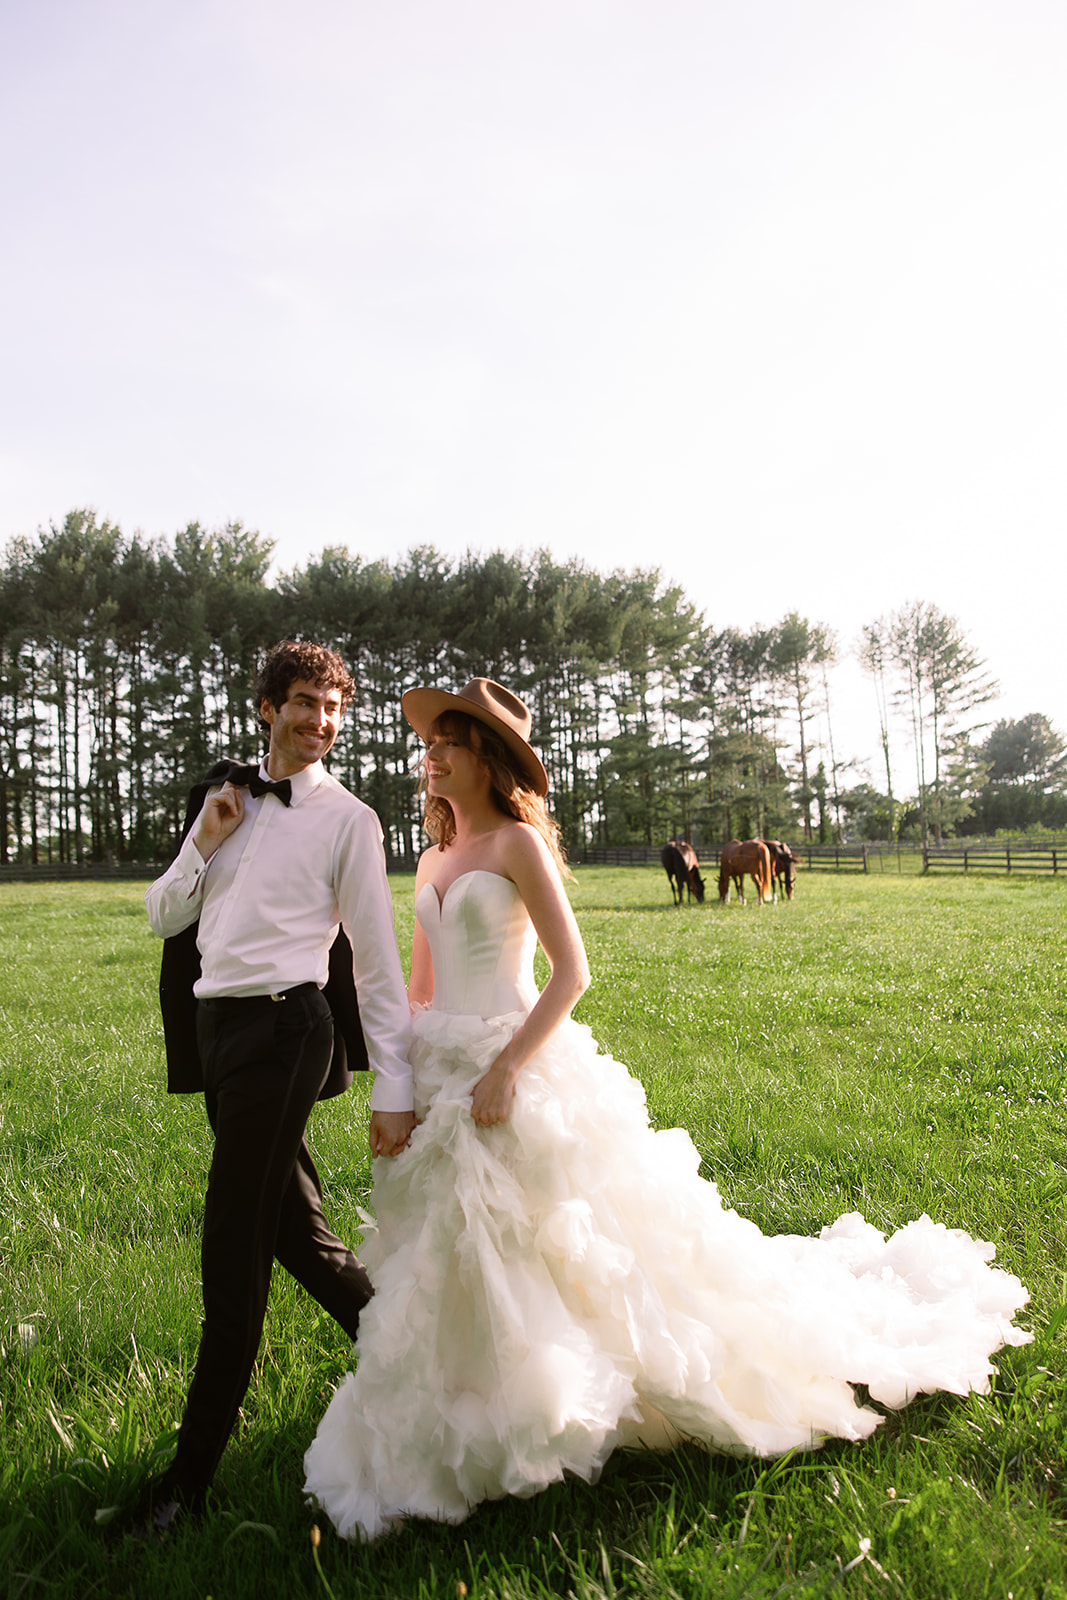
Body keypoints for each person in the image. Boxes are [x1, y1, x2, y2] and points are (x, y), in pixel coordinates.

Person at [303, 678, 1031, 1543]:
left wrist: (502, 1071)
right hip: (443, 1069)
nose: (432, 757)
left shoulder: (517, 846)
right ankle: (467, 1398)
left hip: (516, 1063)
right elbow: (419, 989)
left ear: (488, 759)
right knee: (455, 1247)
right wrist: (410, 1083)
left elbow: (570, 975)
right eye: (430, 745)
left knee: (557, 1237)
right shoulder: (432, 857)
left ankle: (570, 1393)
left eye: (448, 743)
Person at [136, 640, 416, 1534]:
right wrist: (206, 839)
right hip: (216, 1031)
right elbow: (163, 915)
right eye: (303, 702)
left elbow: (373, 958)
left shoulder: (350, 821)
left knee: (233, 1247)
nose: (319, 722)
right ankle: (427, 1374)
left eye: (333, 708)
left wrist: (392, 1086)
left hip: (288, 1027)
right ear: (267, 707)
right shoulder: (222, 798)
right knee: (298, 1234)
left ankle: (187, 1484)